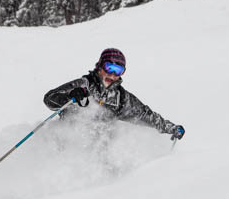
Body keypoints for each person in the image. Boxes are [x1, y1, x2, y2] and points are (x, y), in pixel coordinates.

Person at [43, 48, 185, 140]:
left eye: (118, 70)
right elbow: (49, 99)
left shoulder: (120, 98)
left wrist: (170, 127)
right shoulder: (83, 85)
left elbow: (146, 115)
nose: (112, 74)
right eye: (109, 67)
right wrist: (70, 97)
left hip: (98, 156)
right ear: (99, 66)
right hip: (68, 147)